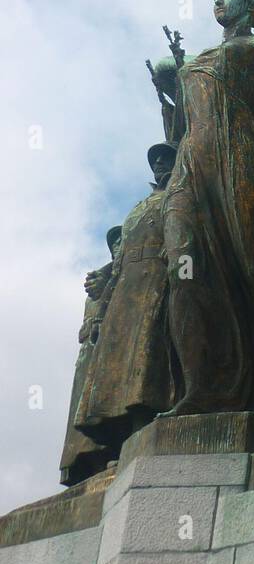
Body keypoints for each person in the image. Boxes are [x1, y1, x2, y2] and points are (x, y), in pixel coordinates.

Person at [163, 0, 254, 416]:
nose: (219, 2)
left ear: (250, 2)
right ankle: (203, 385)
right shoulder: (193, 63)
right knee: (183, 267)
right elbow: (179, 126)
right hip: (190, 169)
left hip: (240, 159)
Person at [76, 145, 178, 448]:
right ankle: (122, 439)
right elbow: (118, 264)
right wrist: (100, 311)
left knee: (146, 358)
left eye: (166, 157)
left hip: (156, 278)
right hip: (126, 289)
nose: (159, 163)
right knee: (117, 366)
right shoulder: (140, 205)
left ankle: (142, 425)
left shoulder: (181, 192)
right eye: (155, 160)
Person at [59, 225, 122, 485]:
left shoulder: (119, 277)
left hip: (110, 354)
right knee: (84, 414)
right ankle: (88, 466)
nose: (118, 246)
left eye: (121, 240)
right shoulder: (101, 280)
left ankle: (110, 452)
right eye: (114, 243)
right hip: (90, 356)